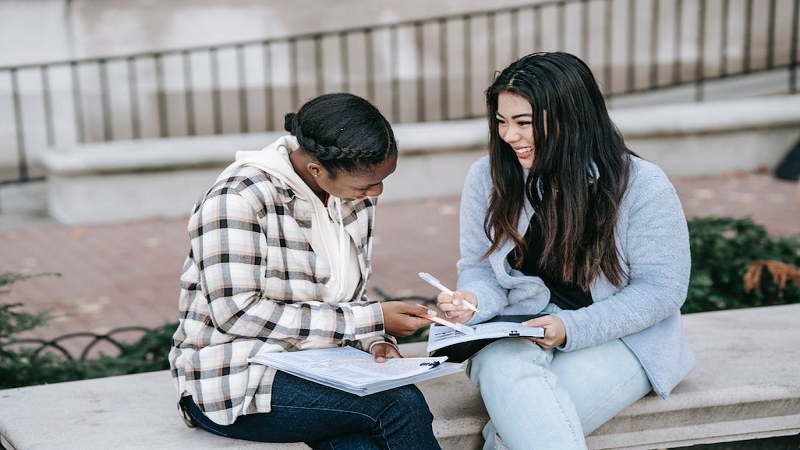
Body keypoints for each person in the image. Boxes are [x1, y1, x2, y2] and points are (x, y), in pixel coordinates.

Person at [436, 52, 695, 450]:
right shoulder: (488, 177)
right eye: (502, 122)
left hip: (622, 339)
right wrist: (472, 301)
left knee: (510, 437)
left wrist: (570, 329)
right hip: (520, 329)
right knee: (498, 363)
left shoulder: (642, 185)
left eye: (523, 123)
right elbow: (479, 269)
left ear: (570, 119)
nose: (509, 136)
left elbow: (661, 289)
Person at [169, 92, 442, 450]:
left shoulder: (350, 196)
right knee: (398, 403)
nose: (378, 191)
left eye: (382, 179)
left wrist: (376, 341)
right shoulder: (236, 200)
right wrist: (371, 320)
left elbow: (345, 297)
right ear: (316, 169)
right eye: (366, 185)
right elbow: (236, 315)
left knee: (359, 445)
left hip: (321, 365)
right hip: (235, 378)